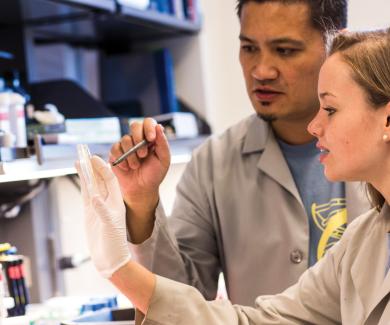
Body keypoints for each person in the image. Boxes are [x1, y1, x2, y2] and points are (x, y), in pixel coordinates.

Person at [79, 27, 390, 324]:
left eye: (331, 109)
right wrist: (120, 269)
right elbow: (259, 321)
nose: (315, 126)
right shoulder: (364, 240)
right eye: (249, 47)